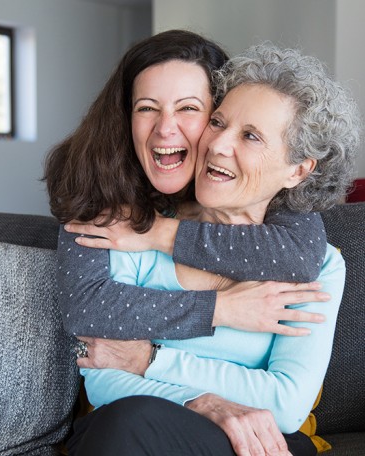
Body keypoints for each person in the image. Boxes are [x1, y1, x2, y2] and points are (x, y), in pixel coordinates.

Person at [66, 43, 360, 456]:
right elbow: (102, 374)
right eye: (218, 123)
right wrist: (202, 402)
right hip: (135, 430)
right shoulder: (133, 231)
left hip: (256, 441)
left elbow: (287, 404)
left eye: (251, 136)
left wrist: (151, 361)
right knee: (124, 423)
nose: (218, 145)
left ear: (298, 170)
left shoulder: (317, 263)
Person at [44, 30, 329, 346]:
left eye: (189, 108)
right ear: (125, 117)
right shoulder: (95, 180)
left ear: (217, 116)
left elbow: (298, 256)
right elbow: (85, 308)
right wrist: (219, 309)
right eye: (147, 107)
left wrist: (159, 233)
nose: (165, 129)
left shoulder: (251, 183)